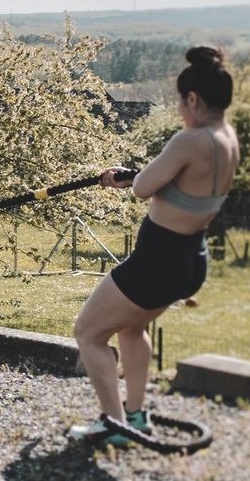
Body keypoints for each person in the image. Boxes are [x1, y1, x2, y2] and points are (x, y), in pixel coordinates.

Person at [71, 46, 239, 446]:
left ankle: (114, 425)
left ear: (193, 99)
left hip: (157, 261)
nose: (180, 109)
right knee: (133, 327)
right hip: (191, 259)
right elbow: (181, 186)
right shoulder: (227, 139)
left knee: (89, 333)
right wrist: (137, 175)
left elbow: (145, 188)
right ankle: (137, 416)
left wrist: (131, 178)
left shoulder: (190, 138)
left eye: (181, 102)